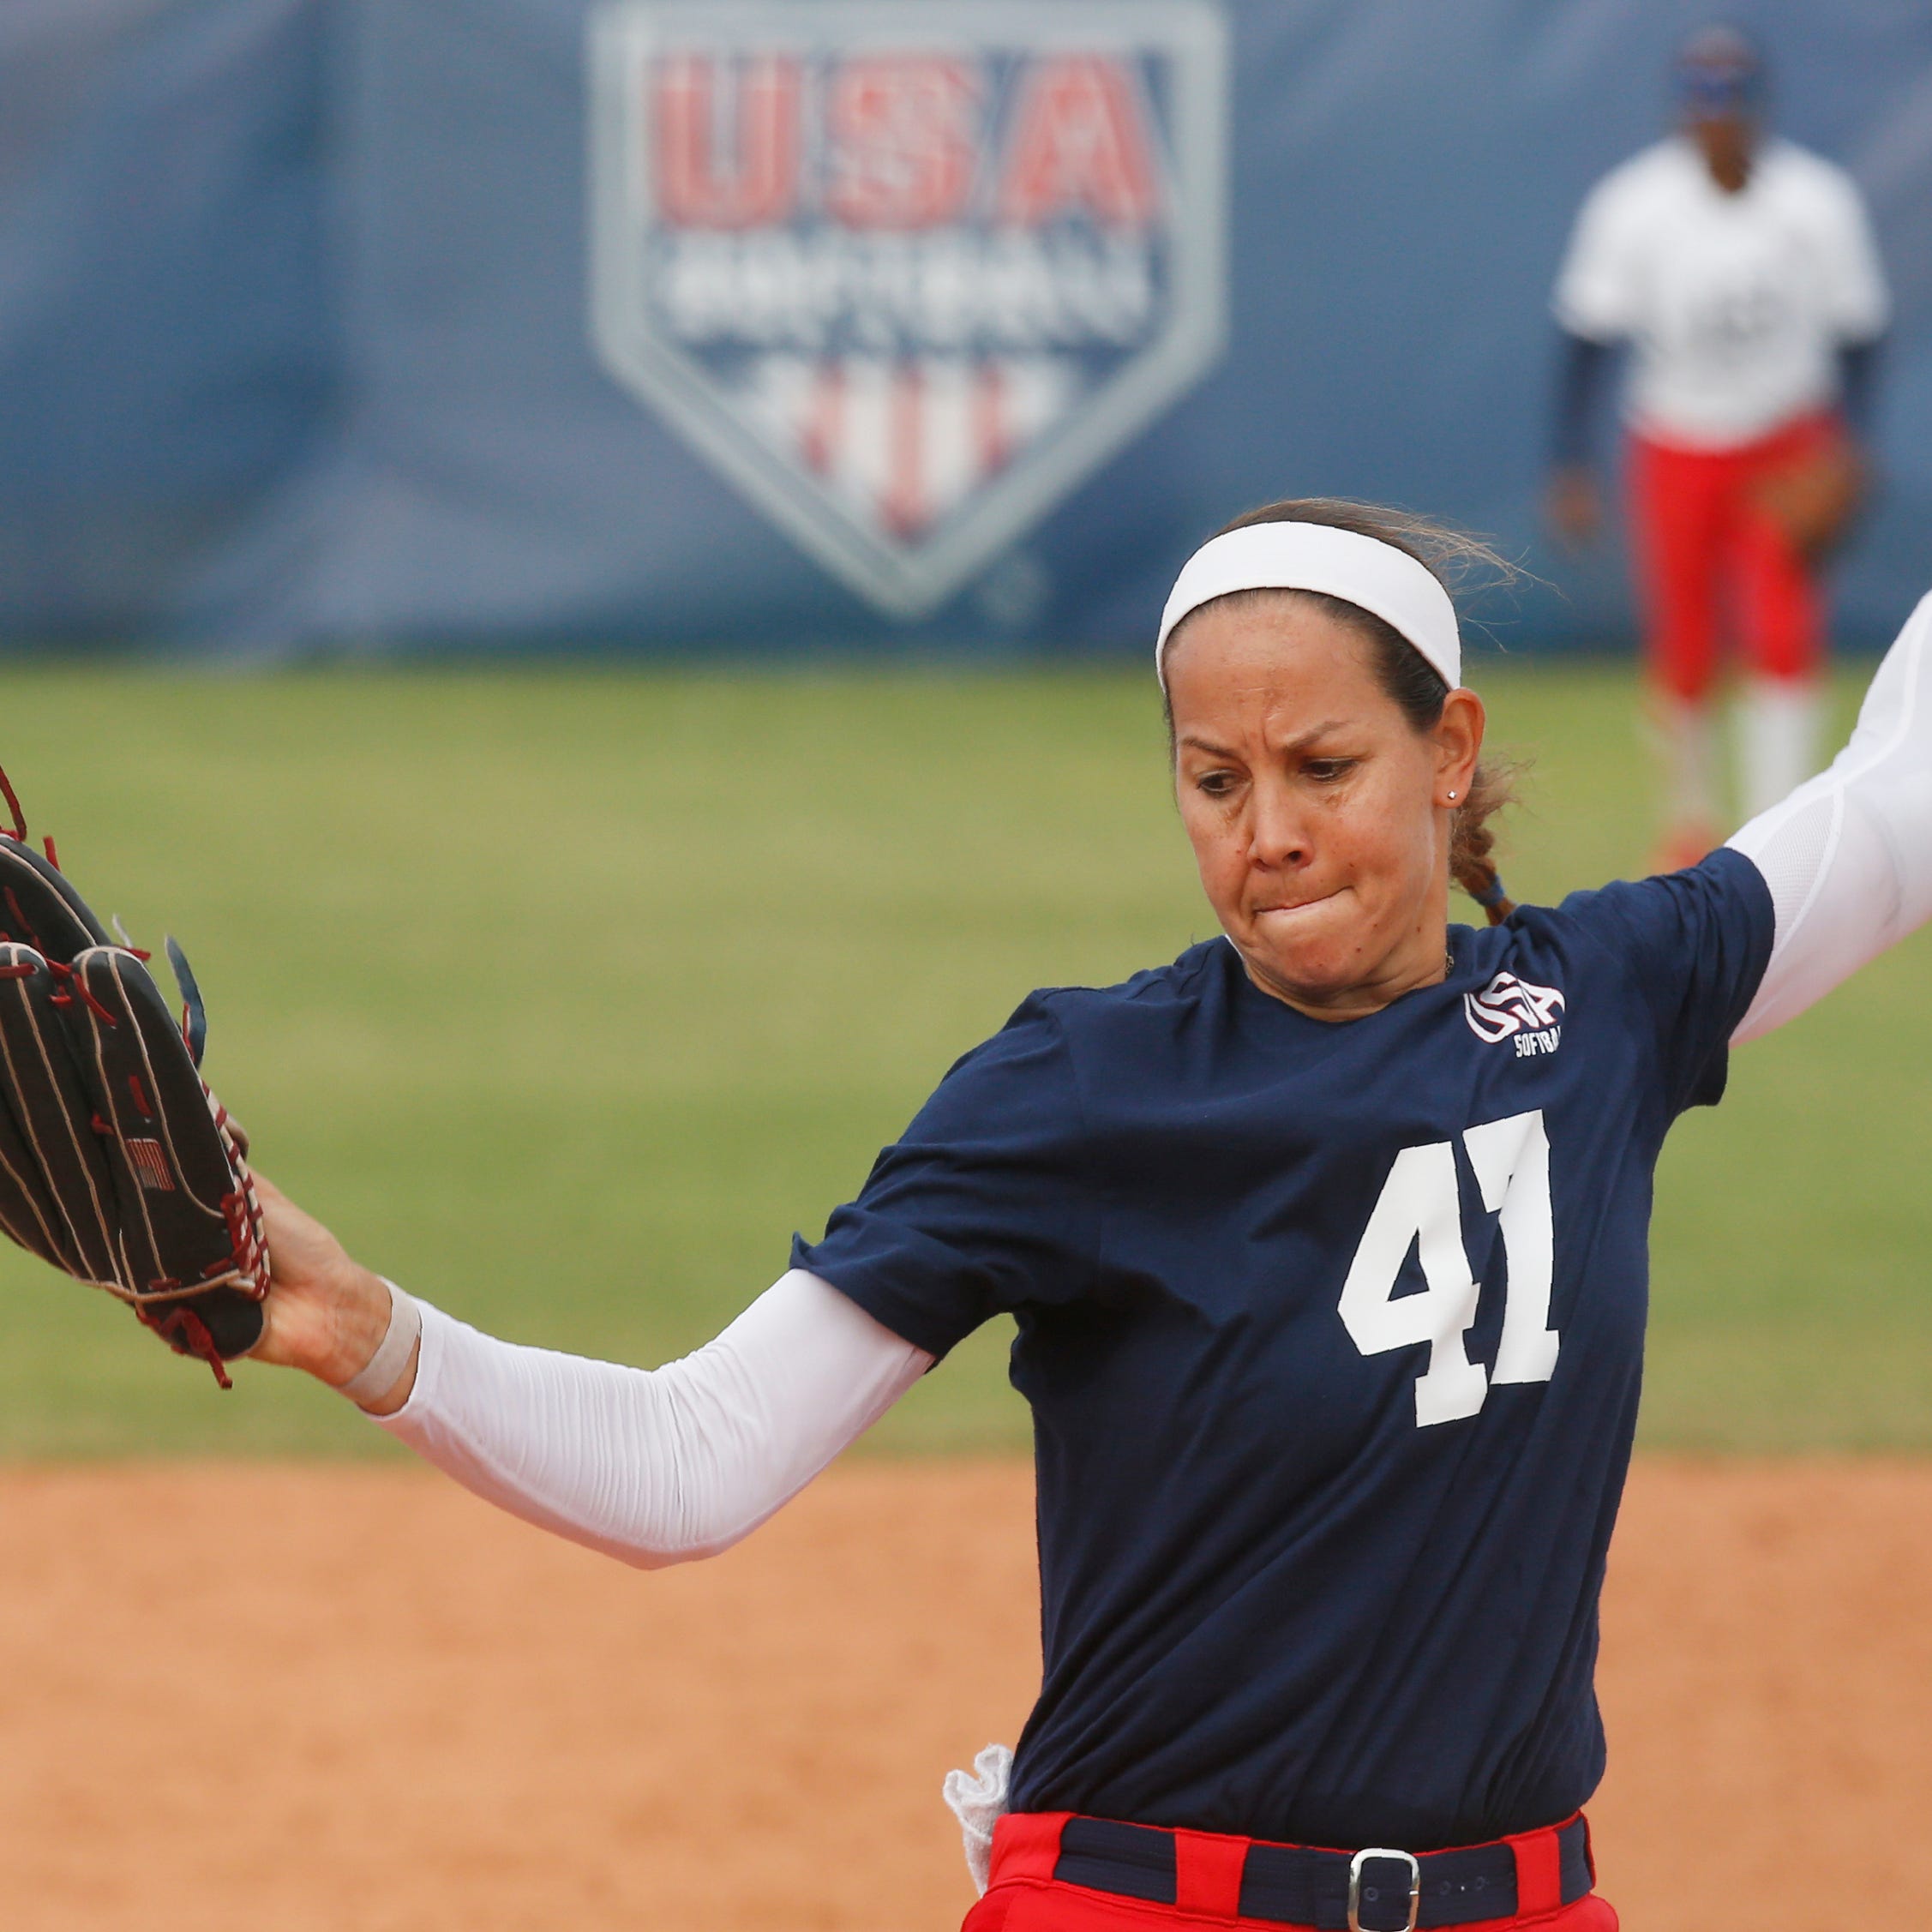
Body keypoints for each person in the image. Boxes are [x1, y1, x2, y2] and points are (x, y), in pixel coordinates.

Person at [248, 496, 1932, 1932]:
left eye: (1323, 762)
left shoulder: (1610, 999)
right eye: (1212, 779)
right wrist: (361, 1326)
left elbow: (1891, 801)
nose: (1267, 832)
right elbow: (690, 1458)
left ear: (1449, 747)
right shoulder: (1086, 1083)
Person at [1546, 24, 1890, 870]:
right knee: (1685, 640)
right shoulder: (1634, 205)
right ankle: (1691, 820)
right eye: (1702, 104)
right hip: (1675, 435)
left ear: (1756, 108)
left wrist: (1848, 448)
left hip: (1785, 437)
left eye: (1730, 103)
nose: (1717, 122)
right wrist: (1571, 463)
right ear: (1680, 112)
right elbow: (1586, 341)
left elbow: (1859, 334)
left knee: (1779, 631)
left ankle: (1783, 826)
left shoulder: (1815, 202)